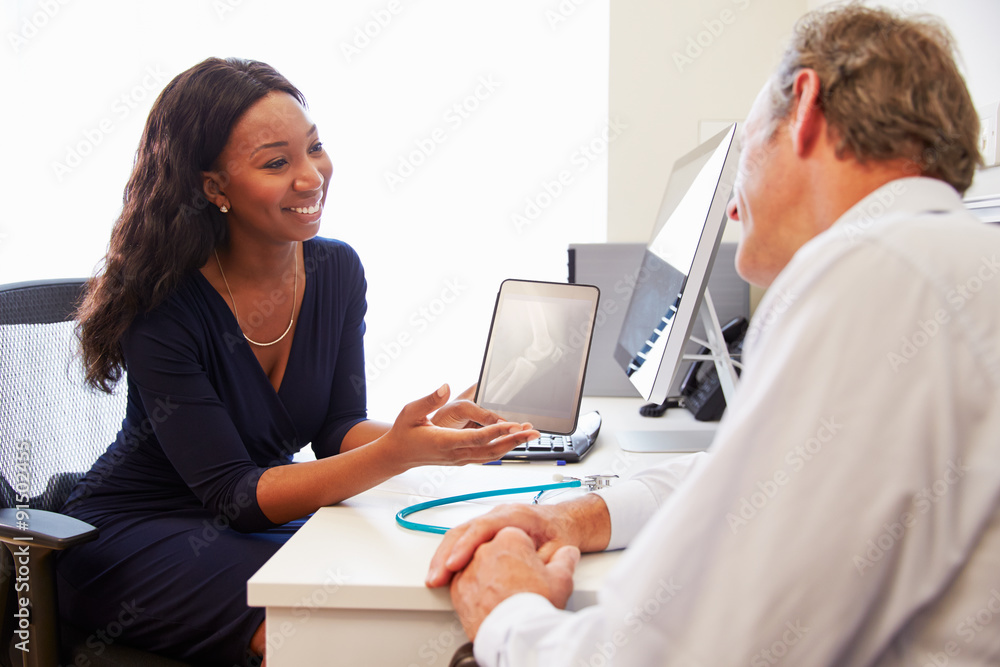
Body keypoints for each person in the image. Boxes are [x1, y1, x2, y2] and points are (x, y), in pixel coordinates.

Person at [426, 5, 1000, 665]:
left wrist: (507, 615)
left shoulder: (876, 272)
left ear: (805, 105)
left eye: (748, 146)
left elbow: (678, 654)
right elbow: (753, 484)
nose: (731, 206)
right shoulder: (940, 268)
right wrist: (568, 518)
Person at [57, 57, 538, 665]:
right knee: (316, 622)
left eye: (314, 148)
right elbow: (234, 494)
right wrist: (399, 453)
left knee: (417, 569)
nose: (312, 177)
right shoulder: (163, 305)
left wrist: (425, 434)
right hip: (136, 534)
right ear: (214, 188)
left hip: (253, 520)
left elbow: (337, 428)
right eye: (276, 163)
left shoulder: (336, 270)